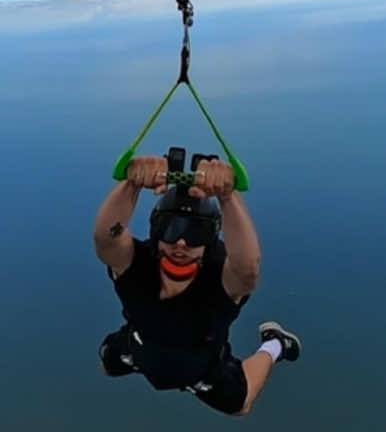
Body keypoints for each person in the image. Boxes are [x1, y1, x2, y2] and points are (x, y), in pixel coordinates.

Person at [93, 152, 300, 416]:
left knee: (241, 404)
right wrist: (130, 185)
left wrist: (228, 196)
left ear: (211, 238)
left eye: (195, 233)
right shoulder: (136, 265)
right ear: (156, 230)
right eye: (171, 228)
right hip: (140, 347)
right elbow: (106, 239)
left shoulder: (219, 279)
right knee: (107, 365)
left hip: (201, 367)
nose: (181, 243)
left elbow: (247, 269)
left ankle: (275, 344)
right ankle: (136, 359)